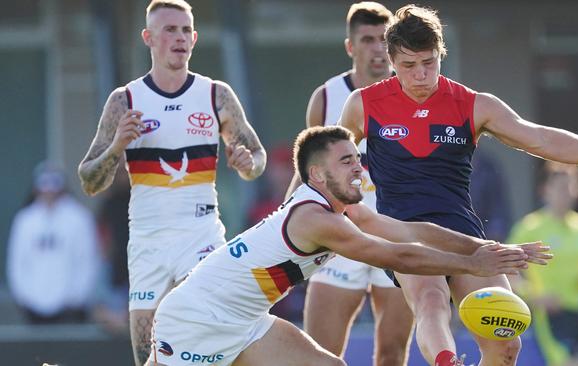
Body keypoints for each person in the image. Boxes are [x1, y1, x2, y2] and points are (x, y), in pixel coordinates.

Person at [338, 5, 578, 365]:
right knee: (431, 300)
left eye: (429, 63)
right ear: (391, 60)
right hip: (403, 230)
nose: (421, 75)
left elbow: (537, 137)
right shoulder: (363, 104)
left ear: (441, 55)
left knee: (507, 340)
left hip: (463, 232)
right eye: (409, 66)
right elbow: (333, 160)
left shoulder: (473, 104)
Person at [146, 125, 551, 366]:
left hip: (243, 319)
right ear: (317, 174)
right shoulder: (317, 220)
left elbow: (411, 231)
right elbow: (398, 256)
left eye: (357, 160)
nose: (359, 169)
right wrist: (472, 266)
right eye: (346, 162)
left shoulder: (341, 211)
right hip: (196, 319)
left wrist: (483, 248)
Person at [77, 1, 266, 365]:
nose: (179, 38)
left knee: (207, 333)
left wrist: (246, 164)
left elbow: (256, 158)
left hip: (200, 234)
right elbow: (89, 181)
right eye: (169, 30)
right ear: (148, 38)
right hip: (149, 240)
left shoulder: (216, 94)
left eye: (185, 31)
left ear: (194, 38)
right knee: (148, 354)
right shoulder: (126, 100)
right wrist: (118, 144)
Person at [285, 3, 414, 365]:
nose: (377, 49)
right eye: (367, 39)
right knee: (320, 354)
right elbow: (305, 172)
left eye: (383, 40)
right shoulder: (326, 97)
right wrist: (285, 225)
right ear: (350, 47)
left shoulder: (412, 94)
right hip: (338, 237)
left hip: (393, 234)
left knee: (391, 354)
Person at [508, 162, 578, 366]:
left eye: (572, 185)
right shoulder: (529, 228)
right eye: (561, 187)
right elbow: (508, 270)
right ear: (545, 190)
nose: (567, 192)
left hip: (576, 314)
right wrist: (534, 297)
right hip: (548, 315)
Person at [7, 161, 100, 324]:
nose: (49, 192)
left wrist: (77, 297)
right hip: (32, 307)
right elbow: (17, 261)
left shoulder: (79, 218)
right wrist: (24, 296)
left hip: (70, 307)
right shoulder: (25, 220)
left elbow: (87, 259)